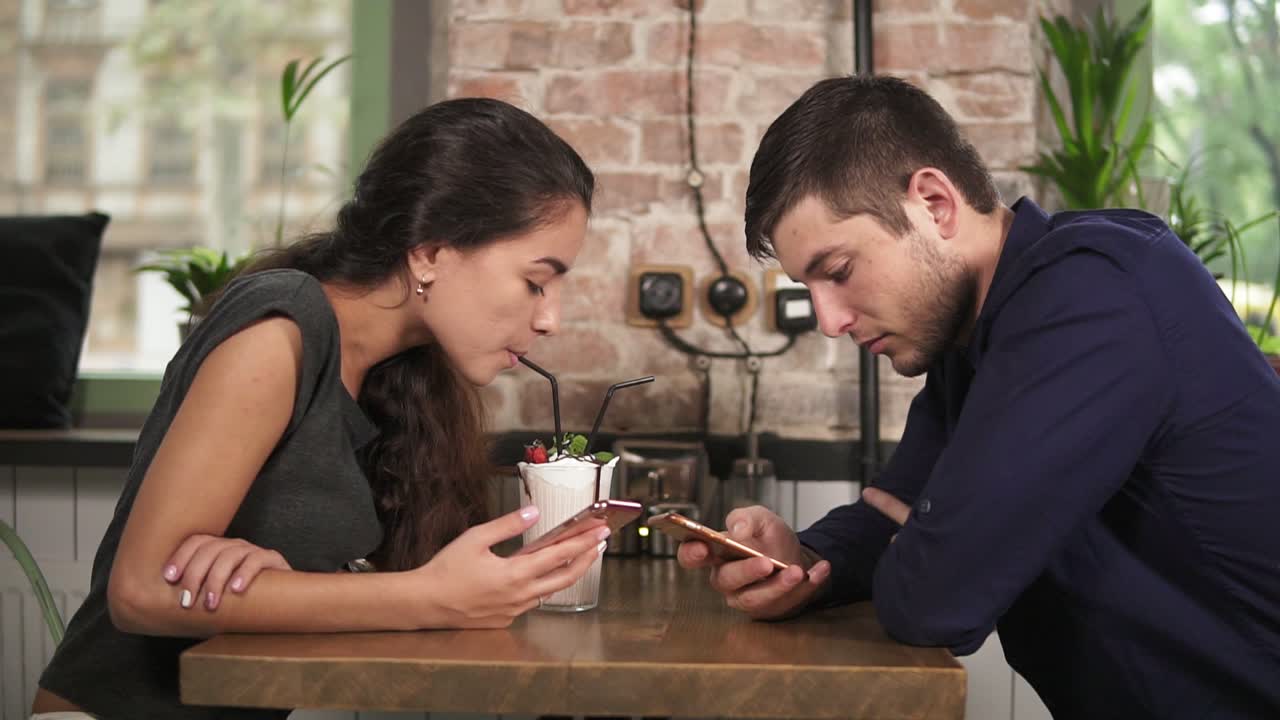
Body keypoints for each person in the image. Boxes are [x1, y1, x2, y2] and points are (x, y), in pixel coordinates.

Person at [678, 75, 1280, 718]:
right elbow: (890, 515)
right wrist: (801, 561)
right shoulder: (980, 340)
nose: (829, 320)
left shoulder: (1092, 293)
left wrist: (929, 541)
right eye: (810, 288)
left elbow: (935, 600)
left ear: (934, 203)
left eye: (839, 272)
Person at [33, 97, 610, 719]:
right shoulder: (280, 327)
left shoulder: (400, 375)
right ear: (429, 252)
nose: (550, 319)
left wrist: (284, 581)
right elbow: (142, 592)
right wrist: (429, 596)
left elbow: (319, 589)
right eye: (535, 282)